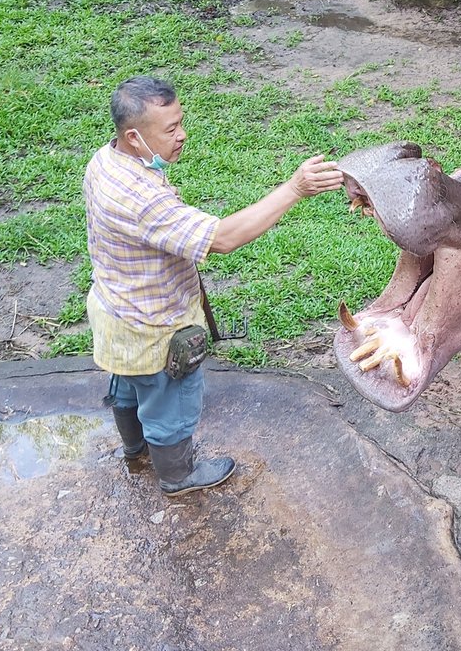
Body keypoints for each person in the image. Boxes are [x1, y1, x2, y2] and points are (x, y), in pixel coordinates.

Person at [84, 75, 344, 497]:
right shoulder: (141, 199)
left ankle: (135, 448)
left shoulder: (105, 160)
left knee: (129, 384)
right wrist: (295, 189)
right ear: (134, 136)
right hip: (153, 326)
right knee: (170, 403)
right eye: (171, 129)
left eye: (180, 122)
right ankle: (177, 476)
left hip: (115, 310)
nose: (182, 135)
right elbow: (222, 239)